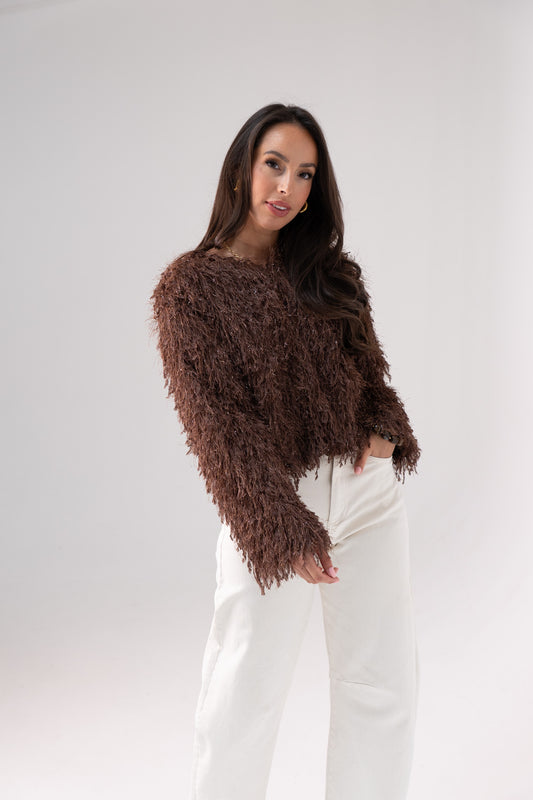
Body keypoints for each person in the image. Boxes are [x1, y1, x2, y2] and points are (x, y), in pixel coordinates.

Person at [150, 102, 421, 800]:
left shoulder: (330, 272)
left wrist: (386, 431)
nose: (286, 187)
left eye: (304, 174)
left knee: (381, 684)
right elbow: (219, 427)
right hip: (274, 500)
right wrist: (281, 526)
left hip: (367, 495)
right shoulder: (190, 288)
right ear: (242, 166)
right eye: (274, 164)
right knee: (246, 686)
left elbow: (370, 376)